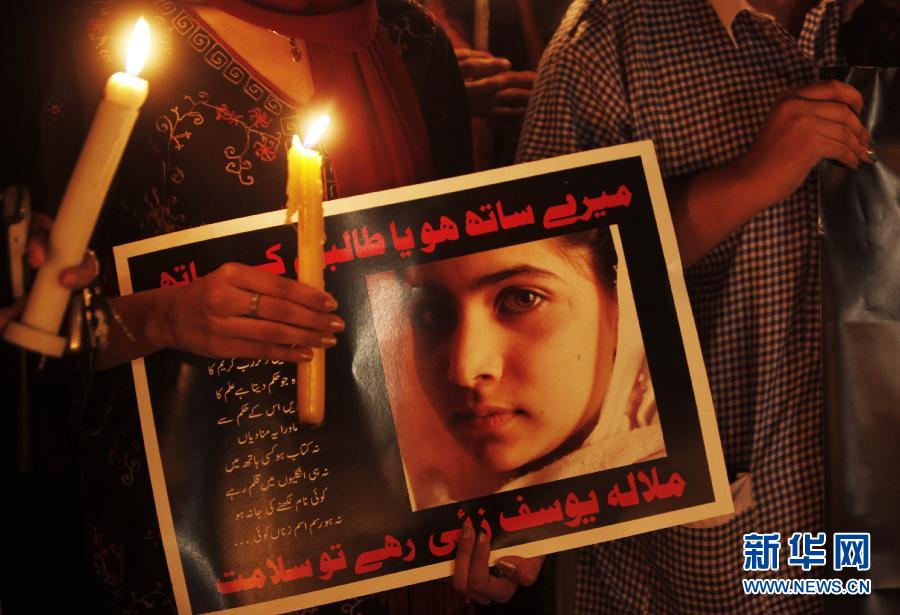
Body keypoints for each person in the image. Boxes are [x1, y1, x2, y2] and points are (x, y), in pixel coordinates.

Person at [29, 0, 472, 611]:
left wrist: (494, 518)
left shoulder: (406, 38)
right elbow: (33, 320)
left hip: (389, 526)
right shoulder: (111, 41)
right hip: (197, 533)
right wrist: (162, 315)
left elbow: (463, 282)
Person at [451, 0, 875, 612]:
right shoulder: (610, 42)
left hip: (866, 536)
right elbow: (528, 281)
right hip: (718, 562)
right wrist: (746, 182)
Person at [371, 229, 664, 509]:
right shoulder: (411, 480)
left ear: (620, 301)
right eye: (433, 313)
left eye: (523, 299)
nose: (463, 370)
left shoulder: (676, 467)